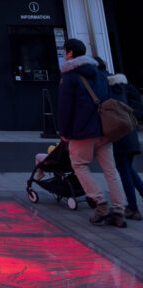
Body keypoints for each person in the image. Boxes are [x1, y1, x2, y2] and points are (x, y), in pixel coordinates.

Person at [57, 39, 126, 227]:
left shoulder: (70, 77)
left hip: (82, 131)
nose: (64, 54)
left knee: (79, 165)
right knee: (110, 170)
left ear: (70, 53)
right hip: (104, 130)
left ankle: (100, 203)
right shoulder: (100, 74)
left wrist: (64, 132)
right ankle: (119, 210)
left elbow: (65, 108)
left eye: (65, 51)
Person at [99, 60, 143, 221]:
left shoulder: (103, 87)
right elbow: (137, 108)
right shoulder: (124, 86)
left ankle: (132, 208)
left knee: (124, 171)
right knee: (129, 169)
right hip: (130, 131)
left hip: (117, 134)